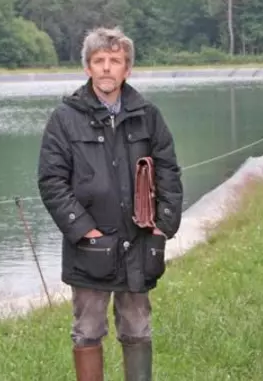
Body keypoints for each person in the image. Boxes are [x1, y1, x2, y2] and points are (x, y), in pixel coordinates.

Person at [38, 27, 183, 381]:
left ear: (127, 69)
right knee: (87, 330)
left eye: (114, 61)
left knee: (137, 328)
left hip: (139, 241)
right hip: (88, 245)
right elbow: (51, 181)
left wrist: (163, 225)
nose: (106, 68)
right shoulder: (64, 118)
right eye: (99, 61)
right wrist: (82, 228)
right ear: (88, 68)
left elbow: (168, 173)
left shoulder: (148, 115)